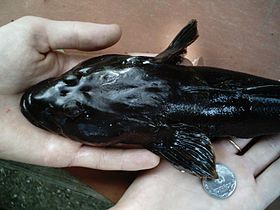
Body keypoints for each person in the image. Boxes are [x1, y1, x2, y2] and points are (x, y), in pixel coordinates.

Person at [0, 16, 279, 210]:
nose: (54, 90)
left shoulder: (165, 137)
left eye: (70, 81)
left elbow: (198, 158)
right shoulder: (159, 68)